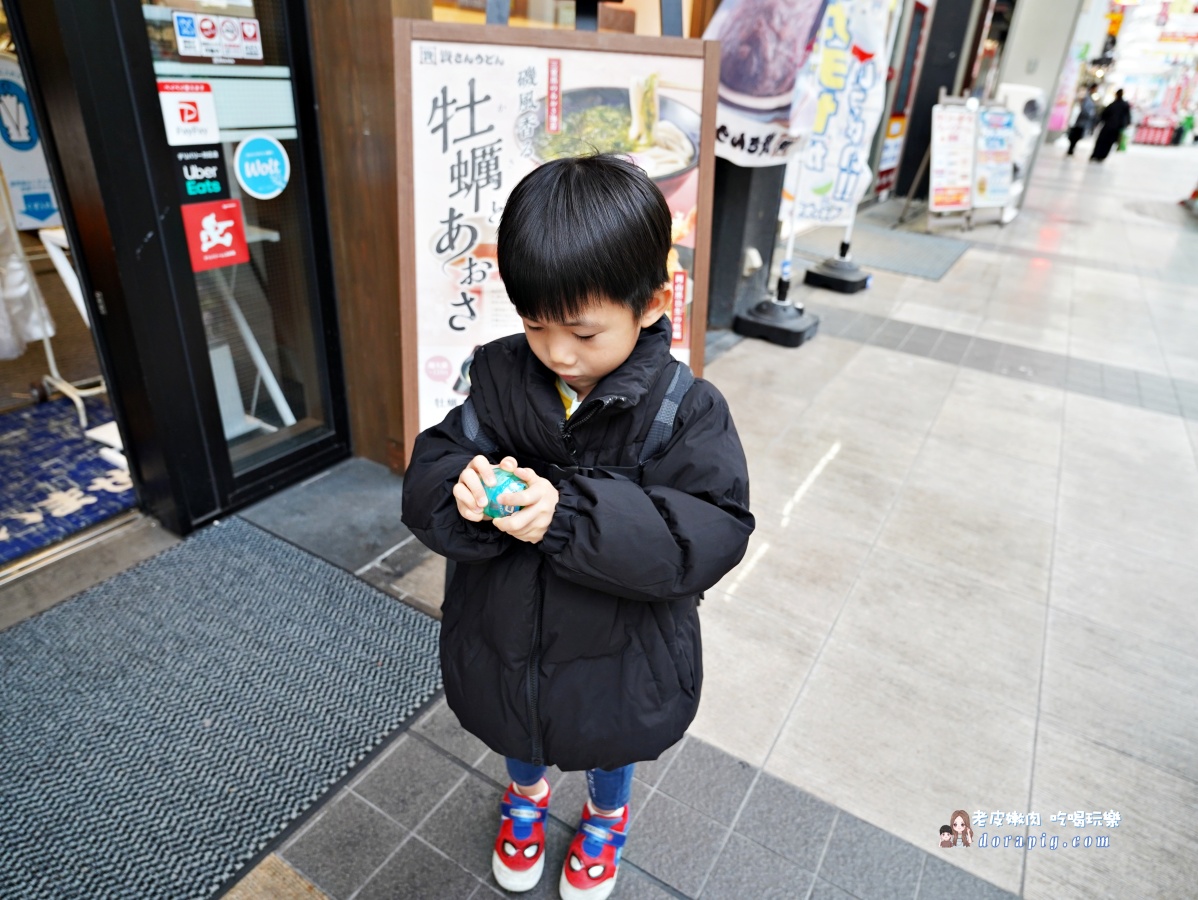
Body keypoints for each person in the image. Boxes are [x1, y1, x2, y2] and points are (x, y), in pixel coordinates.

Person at [401, 154, 755, 899]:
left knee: (609, 739)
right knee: (518, 731)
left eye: (583, 332)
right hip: (506, 633)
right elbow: (435, 461)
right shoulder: (497, 375)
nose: (557, 353)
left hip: (618, 651)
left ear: (654, 303)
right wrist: (459, 491)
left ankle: (606, 815)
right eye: (535, 324)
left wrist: (567, 518)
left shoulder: (686, 410)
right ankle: (526, 798)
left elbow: (707, 532)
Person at [1090, 89, 1132, 162]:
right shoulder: (1123, 104)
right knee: (1108, 143)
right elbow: (1127, 117)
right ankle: (1101, 156)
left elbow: (1104, 114)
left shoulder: (1114, 104)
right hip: (1115, 127)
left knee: (1102, 141)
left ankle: (1096, 155)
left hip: (1108, 126)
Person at [1066, 86, 1098, 156]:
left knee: (1075, 136)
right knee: (1073, 136)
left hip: (1080, 122)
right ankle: (1070, 149)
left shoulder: (1087, 100)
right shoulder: (1082, 100)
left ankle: (1071, 149)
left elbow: (1089, 112)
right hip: (1077, 122)